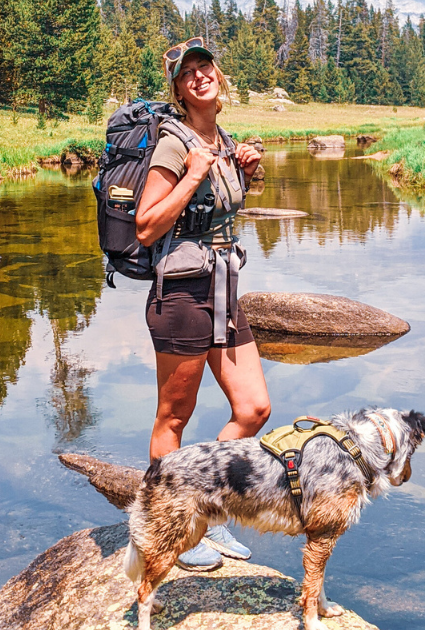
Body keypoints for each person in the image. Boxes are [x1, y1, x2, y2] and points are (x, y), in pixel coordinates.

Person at [134, 38, 269, 572]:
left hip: (222, 288)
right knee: (174, 416)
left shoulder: (223, 137)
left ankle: (204, 514)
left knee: (253, 408)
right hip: (183, 293)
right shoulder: (174, 144)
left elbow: (221, 212)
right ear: (179, 90)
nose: (198, 75)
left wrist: (248, 172)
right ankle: (170, 526)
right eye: (186, 72)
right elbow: (146, 227)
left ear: (218, 74)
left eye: (204, 65)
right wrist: (192, 173)